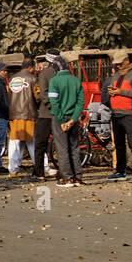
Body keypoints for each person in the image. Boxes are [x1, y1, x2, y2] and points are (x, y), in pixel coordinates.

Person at [102, 50, 132, 183]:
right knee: (119, 144)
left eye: (120, 64)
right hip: (115, 113)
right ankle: (120, 171)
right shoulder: (116, 75)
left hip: (129, 114)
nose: (118, 66)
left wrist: (122, 92)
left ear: (127, 61)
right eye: (116, 64)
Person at [47, 58, 85, 187]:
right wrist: (73, 120)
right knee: (74, 147)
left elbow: (54, 103)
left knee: (62, 148)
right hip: (73, 118)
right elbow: (80, 103)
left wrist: (63, 120)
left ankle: (67, 178)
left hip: (59, 119)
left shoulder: (54, 81)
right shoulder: (76, 80)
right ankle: (77, 177)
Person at [7, 58, 38, 178]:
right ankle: (42, 167)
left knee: (15, 142)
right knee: (33, 142)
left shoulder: (12, 79)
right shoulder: (33, 79)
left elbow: (9, 95)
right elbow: (38, 97)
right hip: (28, 114)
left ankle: (13, 170)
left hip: (14, 115)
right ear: (30, 67)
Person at [32, 51, 60, 180]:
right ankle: (65, 172)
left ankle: (39, 173)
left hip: (46, 114)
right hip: (61, 114)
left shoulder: (44, 74)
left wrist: (51, 107)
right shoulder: (64, 73)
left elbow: (42, 95)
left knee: (40, 144)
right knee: (61, 144)